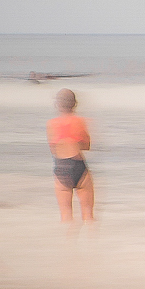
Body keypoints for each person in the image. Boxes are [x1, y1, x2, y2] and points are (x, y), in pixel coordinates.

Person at [48, 89, 95, 224]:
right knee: (88, 217)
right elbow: (87, 146)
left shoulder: (51, 124)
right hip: (78, 166)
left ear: (57, 104)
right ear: (75, 104)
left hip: (61, 168)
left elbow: (53, 149)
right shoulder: (80, 121)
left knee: (66, 217)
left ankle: (68, 244)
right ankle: (92, 244)